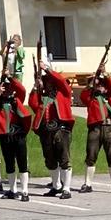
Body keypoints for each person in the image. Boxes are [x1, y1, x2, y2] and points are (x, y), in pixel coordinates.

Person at [35, 55, 75, 198]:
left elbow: (61, 81)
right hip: (46, 130)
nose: (48, 84)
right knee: (50, 160)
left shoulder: (63, 92)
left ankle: (67, 188)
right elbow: (33, 104)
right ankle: (56, 186)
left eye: (50, 82)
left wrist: (47, 69)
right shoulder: (43, 97)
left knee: (64, 159)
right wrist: (36, 87)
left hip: (61, 129)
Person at [82, 69, 111, 194]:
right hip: (95, 128)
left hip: (110, 128)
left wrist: (105, 74)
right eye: (98, 84)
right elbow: (84, 96)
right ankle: (87, 183)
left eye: (102, 84)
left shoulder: (109, 96)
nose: (100, 86)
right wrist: (91, 85)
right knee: (91, 156)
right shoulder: (91, 98)